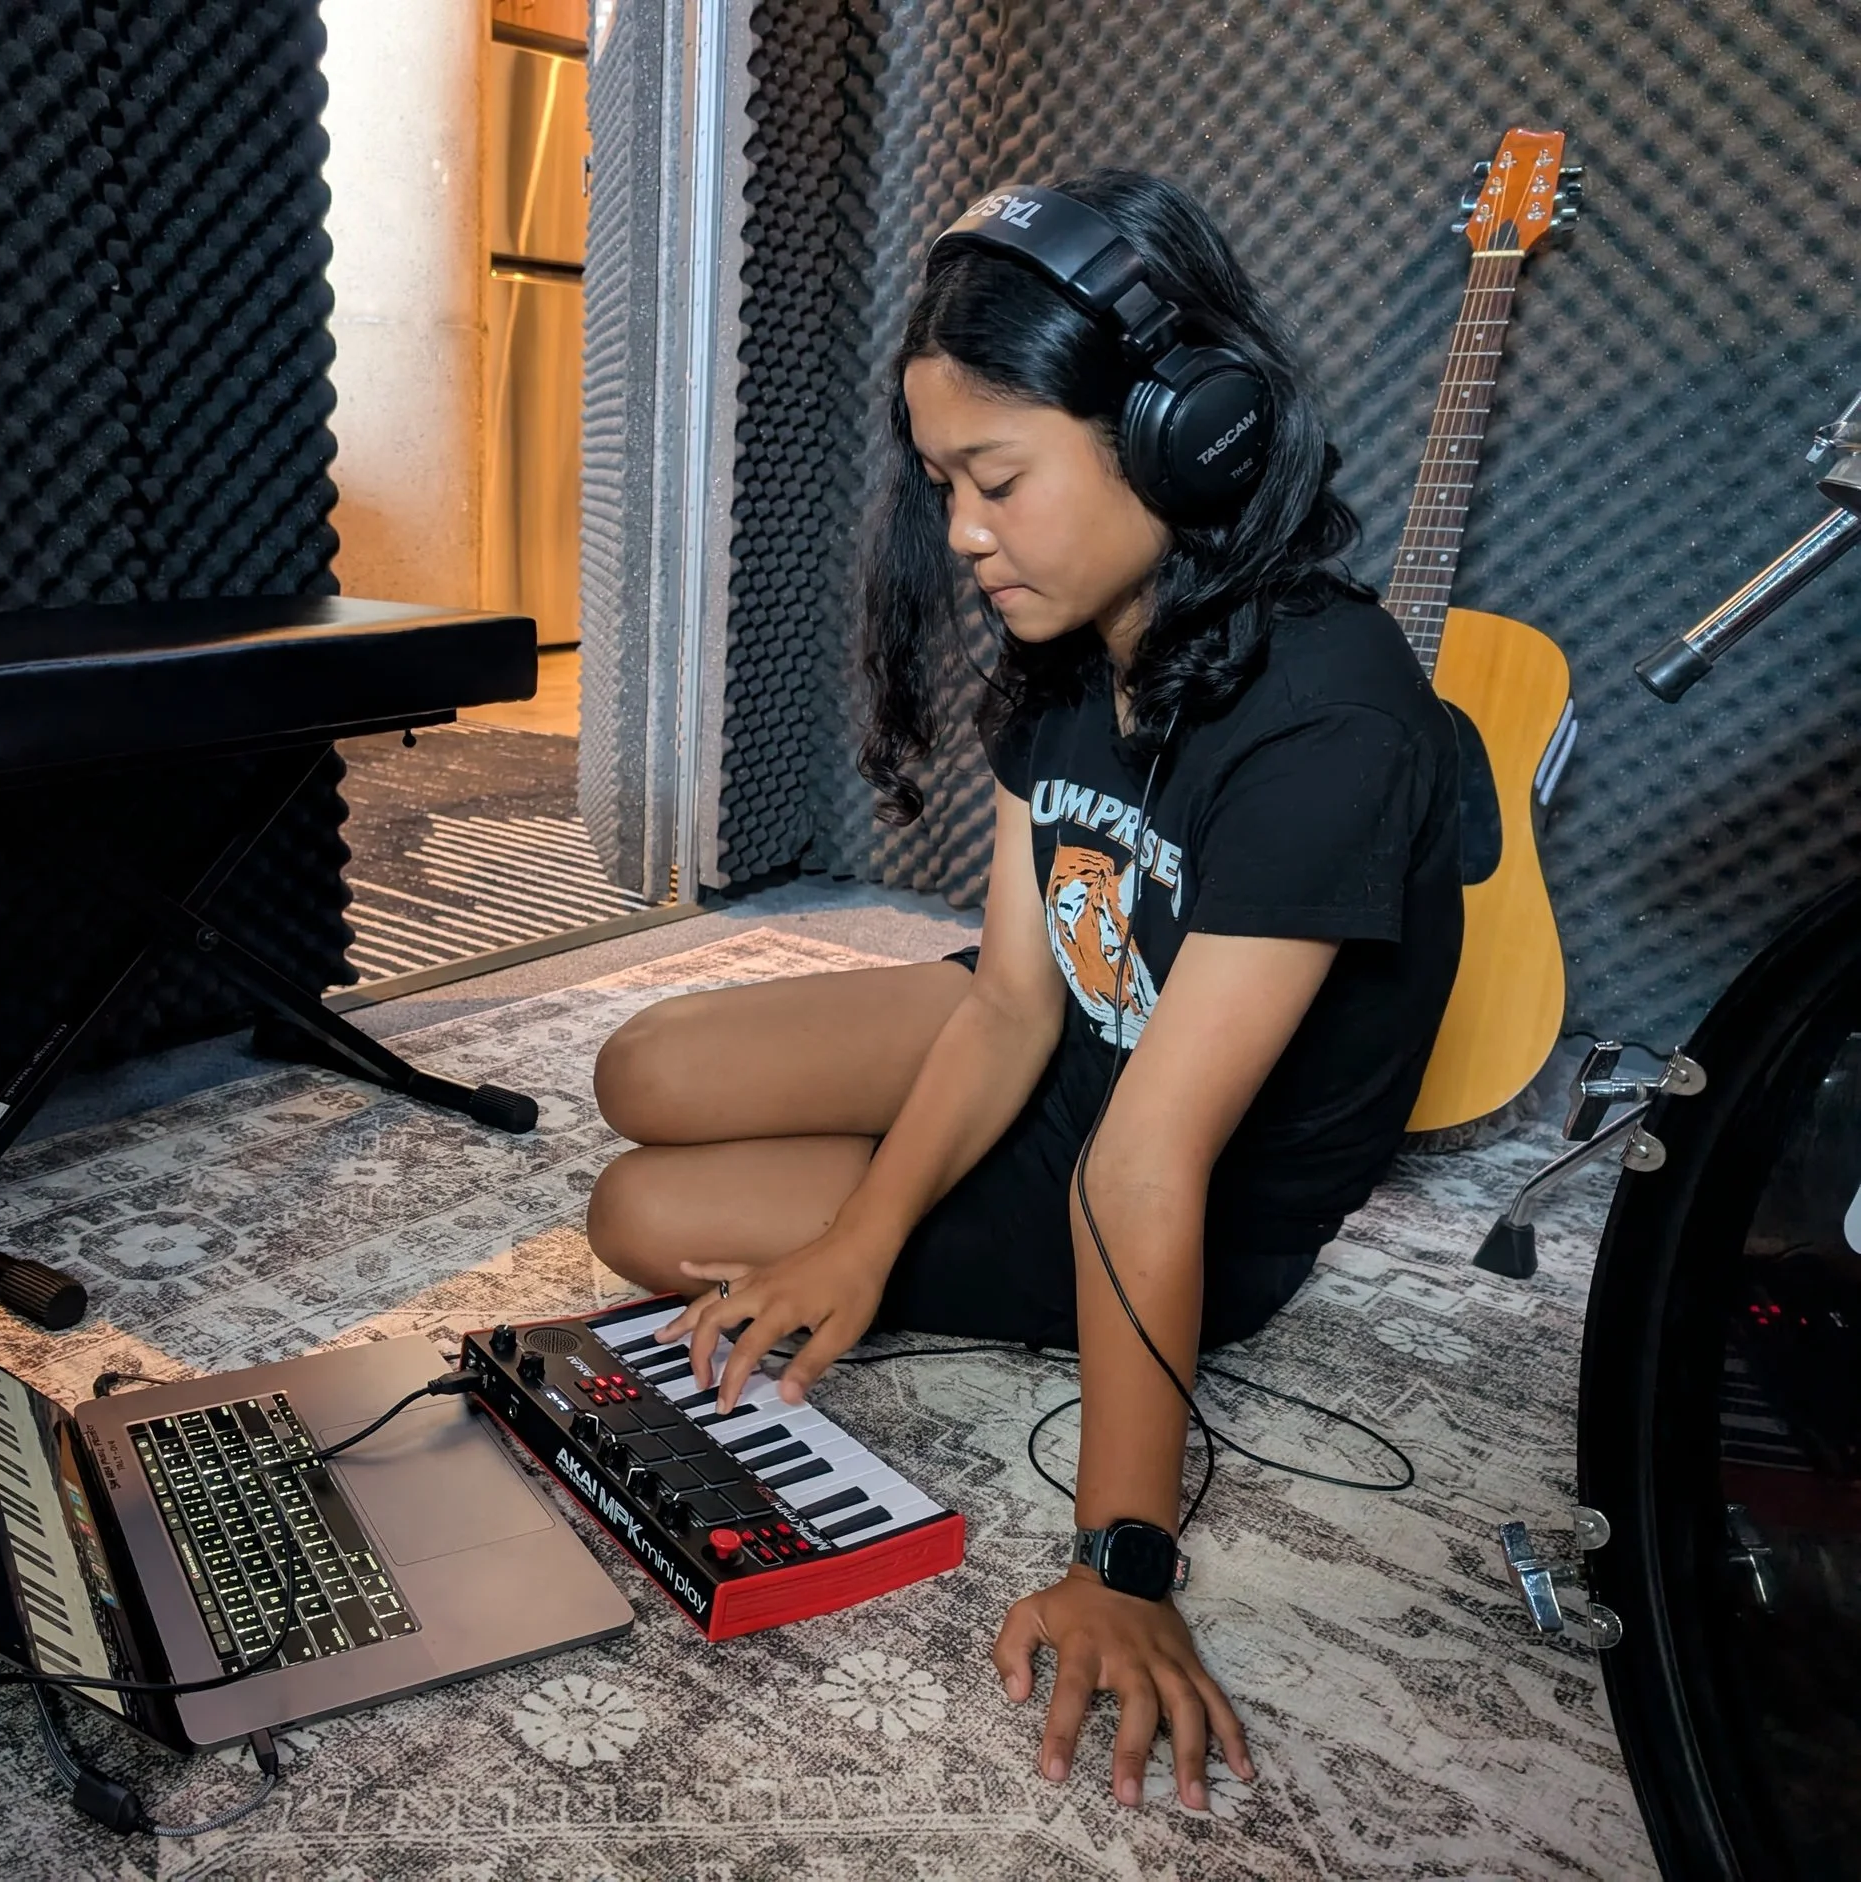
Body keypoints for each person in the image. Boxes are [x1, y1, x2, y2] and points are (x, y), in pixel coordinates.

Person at [585, 170, 1461, 1812]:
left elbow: (1145, 1162)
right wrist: (860, 1232)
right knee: (645, 1070)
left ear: (1182, 435)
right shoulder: (1074, 646)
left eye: (997, 477)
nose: (963, 532)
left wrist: (1124, 1559)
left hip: (1171, 1168)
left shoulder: (1334, 727)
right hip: (1068, 1036)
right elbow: (1007, 997)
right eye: (942, 485)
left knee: (642, 1219)